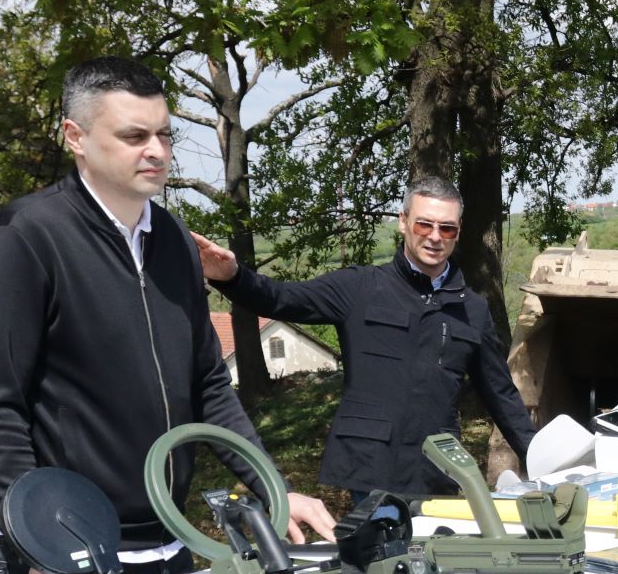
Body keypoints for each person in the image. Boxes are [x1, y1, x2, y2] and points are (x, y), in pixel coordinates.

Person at [0, 57, 335, 574]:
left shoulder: (175, 242)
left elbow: (209, 384)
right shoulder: (23, 240)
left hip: (172, 541)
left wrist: (272, 490)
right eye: (134, 136)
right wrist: (42, 541)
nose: (157, 151)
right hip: (72, 559)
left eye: (164, 134)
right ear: (76, 137)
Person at [195, 178, 536, 499]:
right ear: (403, 222)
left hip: (435, 471)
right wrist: (232, 277)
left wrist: (541, 459)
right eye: (424, 225)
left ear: (457, 232)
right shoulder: (360, 287)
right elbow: (282, 298)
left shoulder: (472, 309)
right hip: (370, 469)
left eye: (446, 228)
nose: (435, 237)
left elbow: (500, 394)